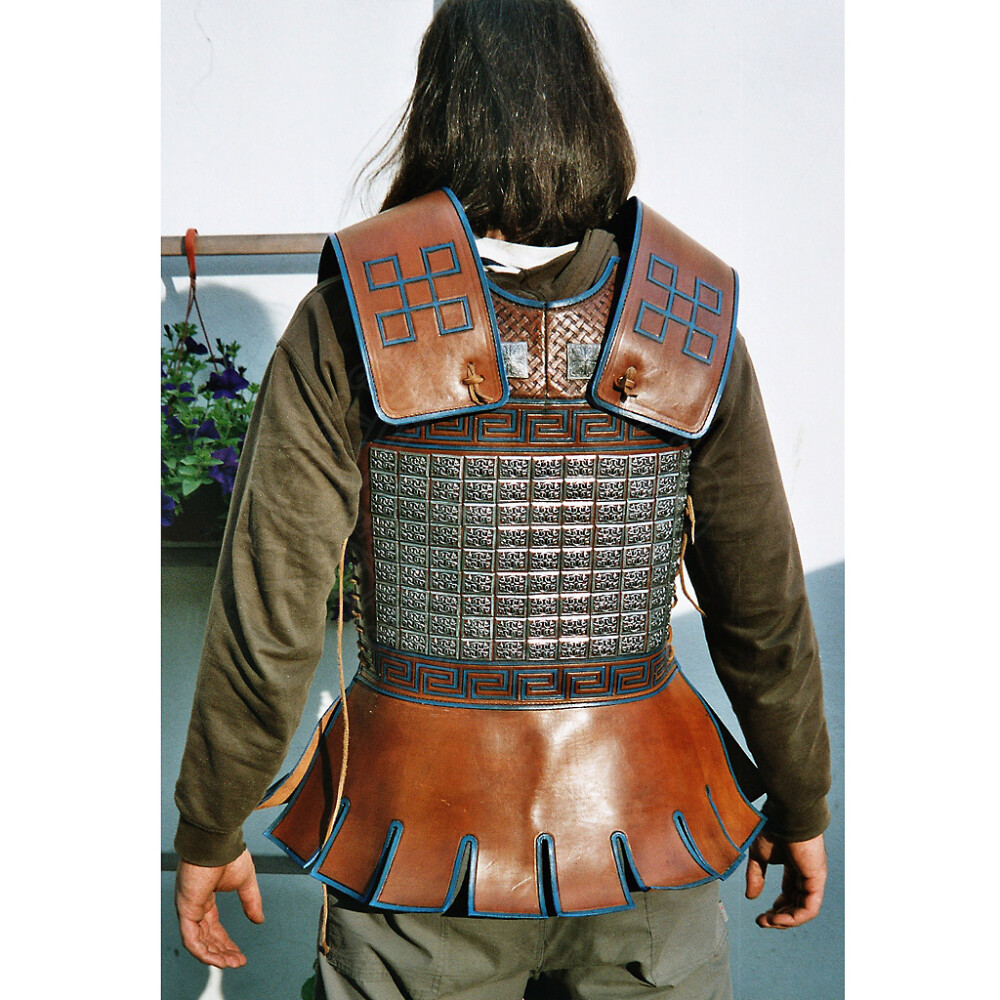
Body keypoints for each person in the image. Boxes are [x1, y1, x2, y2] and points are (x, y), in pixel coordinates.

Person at [172, 2, 831, 998]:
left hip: (418, 846)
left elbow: (271, 609)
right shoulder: (686, 312)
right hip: (646, 834)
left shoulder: (353, 312)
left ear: (437, 113)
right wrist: (801, 797)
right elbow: (762, 605)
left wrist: (211, 823)